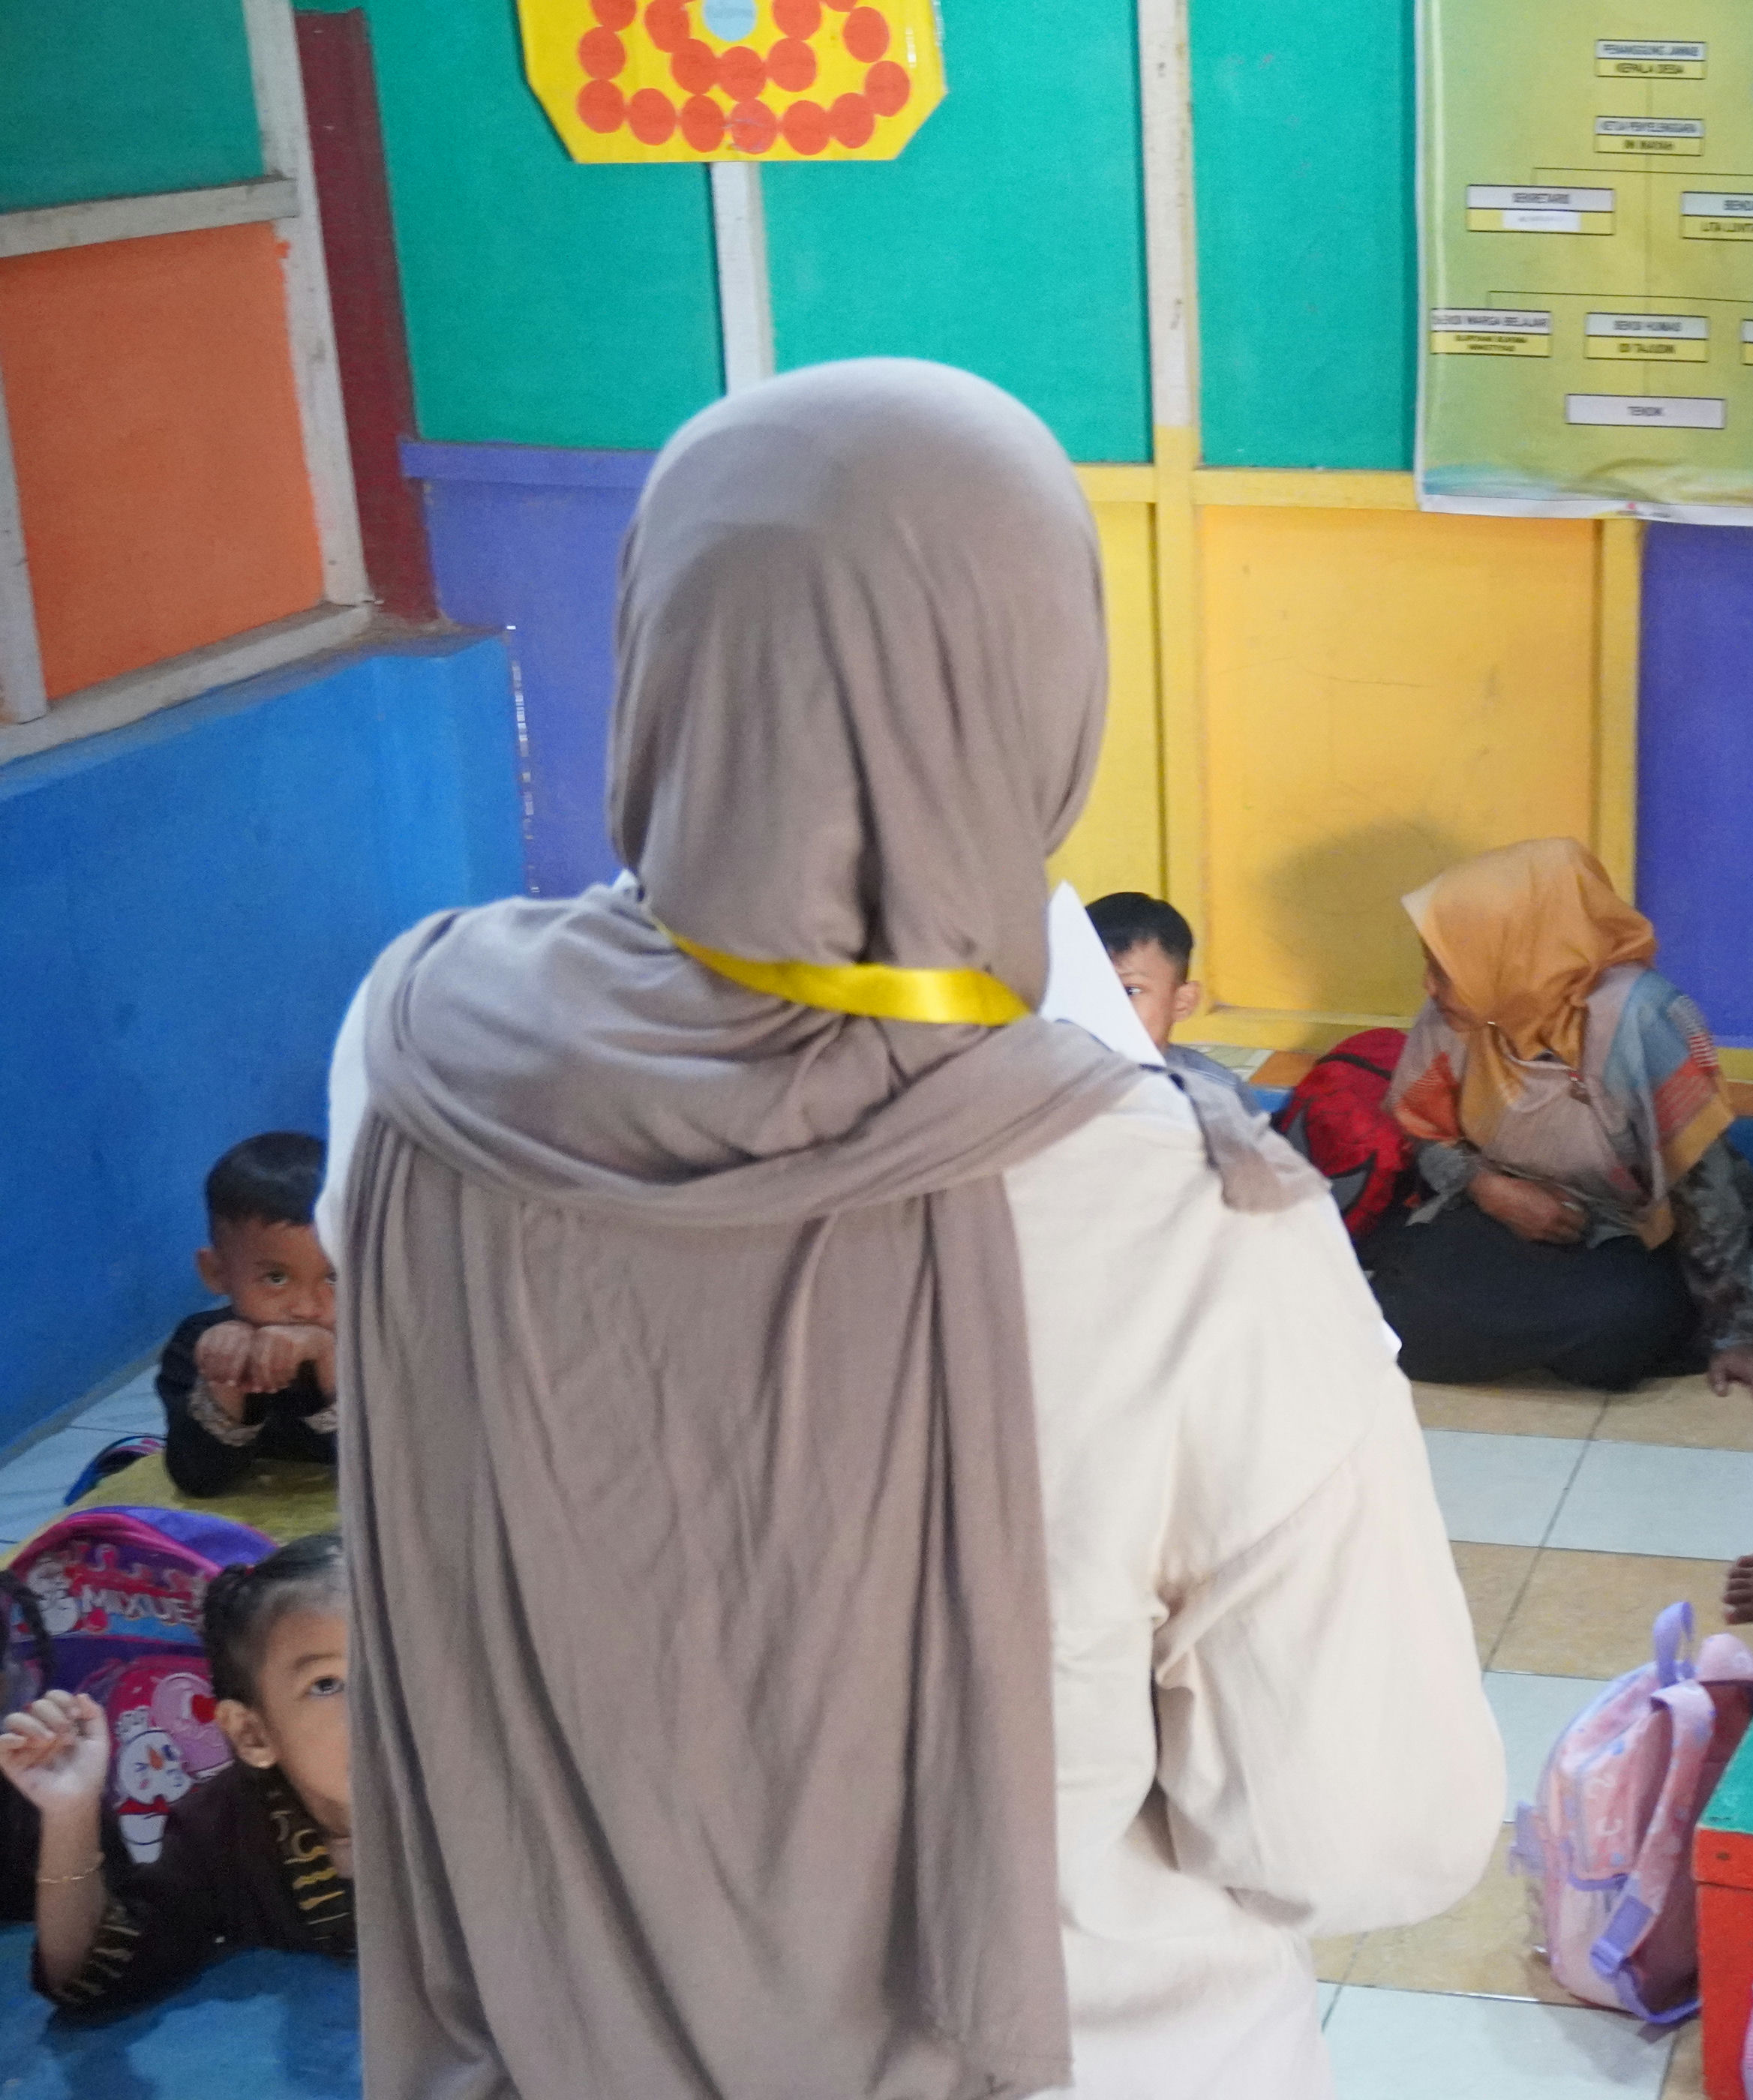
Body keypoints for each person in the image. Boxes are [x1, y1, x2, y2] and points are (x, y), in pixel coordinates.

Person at [317, 360, 1502, 2097]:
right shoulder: (1183, 1215)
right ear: (1045, 685)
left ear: (661, 644)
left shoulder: (415, 1049)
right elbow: (1370, 1832)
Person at [1367, 837, 1753, 1402]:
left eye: (1443, 967)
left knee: (1621, 1330)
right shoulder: (1459, 1014)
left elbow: (1705, 1180)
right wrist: (1488, 1188)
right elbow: (1423, 1133)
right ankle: (1544, 1336)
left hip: (1630, 1230)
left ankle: (1562, 1333)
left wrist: (1736, 1334)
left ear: (1515, 953)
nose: (1430, 986)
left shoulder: (1640, 1019)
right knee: (1398, 1307)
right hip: (1503, 1210)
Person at [1, 1534, 355, 2010]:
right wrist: (70, 1812)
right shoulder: (223, 1835)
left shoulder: (464, 1796)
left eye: (403, 1667)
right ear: (252, 1734)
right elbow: (85, 1978)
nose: (383, 1703)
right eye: (327, 1684)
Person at [159, 1132, 338, 1496]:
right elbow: (199, 1480)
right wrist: (224, 1378)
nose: (307, 1308)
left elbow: (391, 1470)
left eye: (334, 1277)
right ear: (217, 1273)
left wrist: (329, 1358)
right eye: (276, 1278)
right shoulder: (195, 1345)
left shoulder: (379, 1341)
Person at [1088, 890, 1262, 1110]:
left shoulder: (1215, 1096)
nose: (1107, 1007)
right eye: (1089, 990)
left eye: (1130, 991)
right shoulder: (1052, 1087)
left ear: (1182, 1002)